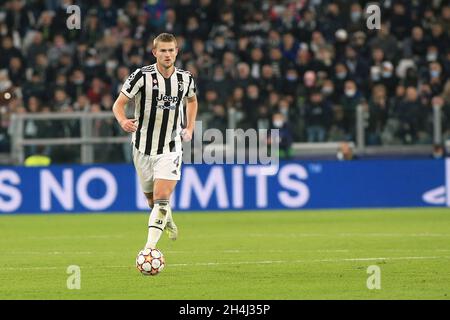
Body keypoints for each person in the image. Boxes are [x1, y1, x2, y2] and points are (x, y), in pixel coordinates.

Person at [112, 33, 198, 250]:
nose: (167, 54)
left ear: (176, 52)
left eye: (171, 50)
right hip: (142, 147)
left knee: (161, 198)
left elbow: (192, 101)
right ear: (155, 53)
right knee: (152, 203)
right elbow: (118, 104)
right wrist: (122, 120)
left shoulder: (185, 79)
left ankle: (149, 250)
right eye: (163, 50)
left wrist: (189, 127)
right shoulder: (141, 76)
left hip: (170, 147)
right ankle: (166, 219)